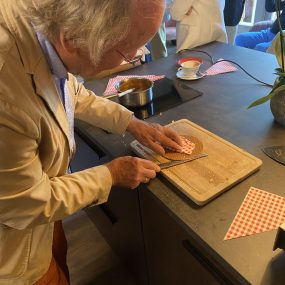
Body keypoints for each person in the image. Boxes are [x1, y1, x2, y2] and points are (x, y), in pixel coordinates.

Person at [0, 0, 183, 284]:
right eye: (127, 52)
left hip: (42, 218)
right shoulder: (6, 93)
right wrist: (111, 174)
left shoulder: (50, 27)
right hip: (12, 245)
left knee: (57, 253)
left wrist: (131, 122)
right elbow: (27, 203)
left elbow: (68, 88)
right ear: (72, 39)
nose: (133, 58)